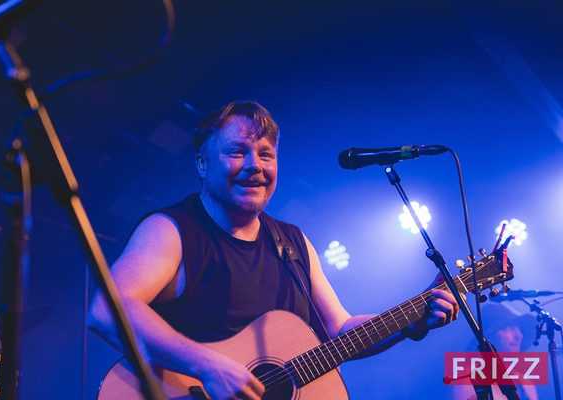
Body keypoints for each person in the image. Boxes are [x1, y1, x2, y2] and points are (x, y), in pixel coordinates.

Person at [87, 100, 461, 400]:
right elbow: (108, 310)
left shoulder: (293, 243)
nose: (254, 166)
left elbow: (340, 330)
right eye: (237, 152)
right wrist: (208, 367)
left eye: (266, 155)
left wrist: (411, 322)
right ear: (202, 164)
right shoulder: (172, 230)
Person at [452, 304, 538, 400]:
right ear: (490, 337)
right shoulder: (469, 378)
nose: (519, 335)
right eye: (507, 328)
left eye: (519, 329)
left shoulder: (526, 384)